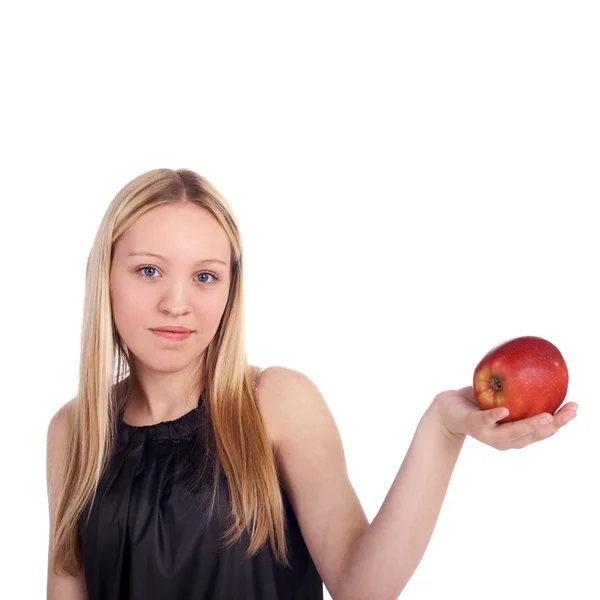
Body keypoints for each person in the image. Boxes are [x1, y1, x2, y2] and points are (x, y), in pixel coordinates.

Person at [46, 168, 578, 600]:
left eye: (205, 276)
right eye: (148, 271)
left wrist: (442, 428)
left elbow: (361, 587)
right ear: (105, 275)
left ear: (231, 290)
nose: (177, 303)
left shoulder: (275, 403)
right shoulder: (74, 429)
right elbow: (66, 588)